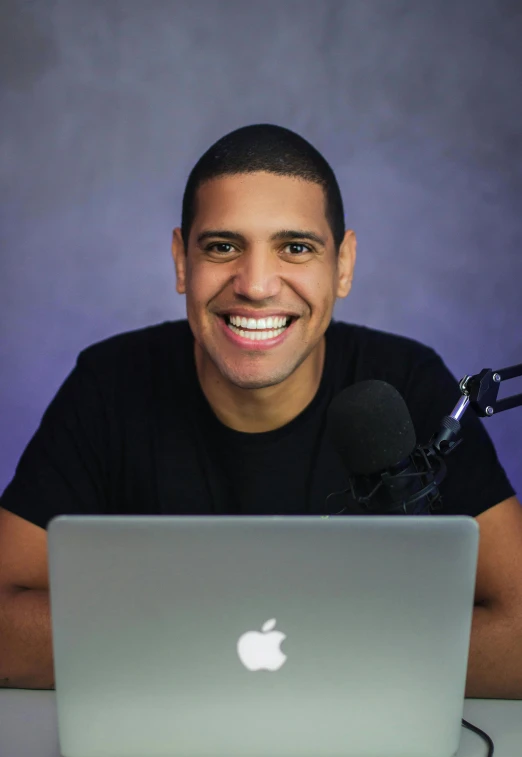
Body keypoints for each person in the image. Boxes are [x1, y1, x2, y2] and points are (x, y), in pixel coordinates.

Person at [1, 124, 521, 695]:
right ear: (181, 261)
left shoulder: (406, 385)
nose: (255, 285)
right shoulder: (109, 384)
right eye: (222, 247)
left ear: (342, 265)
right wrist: (284, 651)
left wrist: (198, 648)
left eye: (295, 247)